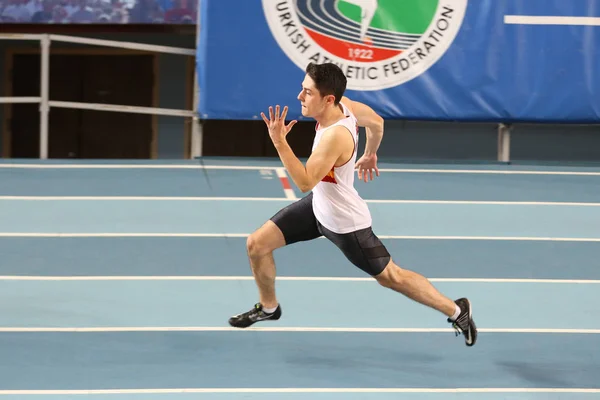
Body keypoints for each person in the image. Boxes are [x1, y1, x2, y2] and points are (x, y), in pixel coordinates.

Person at [228, 62, 478, 347]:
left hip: (345, 223)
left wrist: (279, 142)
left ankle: (457, 311)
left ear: (328, 99)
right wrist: (371, 153)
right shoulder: (345, 106)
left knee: (391, 277)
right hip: (318, 206)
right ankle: (269, 307)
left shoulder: (336, 135)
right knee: (256, 245)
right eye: (302, 89)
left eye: (307, 92)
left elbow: (306, 181)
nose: (300, 97)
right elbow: (378, 123)